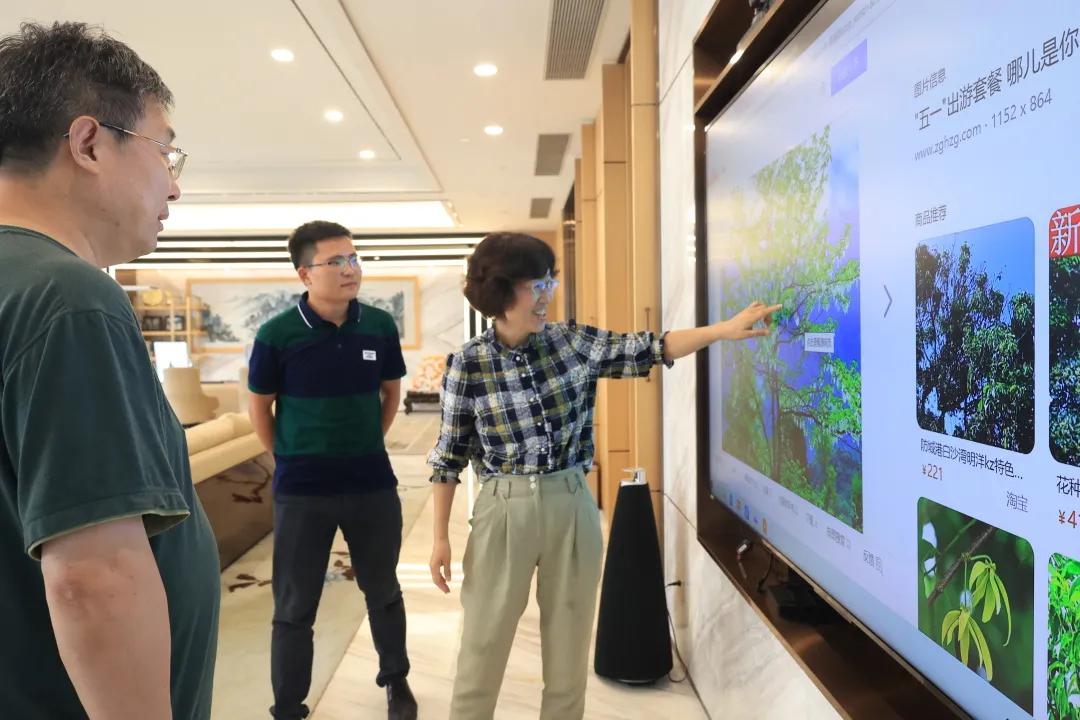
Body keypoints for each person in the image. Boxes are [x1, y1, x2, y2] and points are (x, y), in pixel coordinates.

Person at [427, 232, 780, 719]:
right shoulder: (468, 364)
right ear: (501, 291)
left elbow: (651, 347)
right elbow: (448, 457)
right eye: (536, 285)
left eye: (550, 281)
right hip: (502, 509)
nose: (547, 295)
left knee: (568, 652)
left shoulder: (572, 342)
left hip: (572, 504)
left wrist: (722, 330)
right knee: (482, 648)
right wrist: (439, 538)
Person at [0, 21, 220, 719]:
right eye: (165, 152)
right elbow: (93, 575)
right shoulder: (66, 297)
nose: (174, 188)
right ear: (89, 142)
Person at [248, 220, 418, 720]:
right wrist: (288, 458)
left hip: (371, 484)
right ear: (305, 274)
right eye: (336, 261)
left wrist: (366, 443)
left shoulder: (378, 326)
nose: (350, 269)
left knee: (382, 589)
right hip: (302, 491)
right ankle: (288, 705)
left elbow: (391, 393)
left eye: (354, 258)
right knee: (294, 604)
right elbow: (260, 407)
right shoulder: (277, 334)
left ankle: (396, 681)